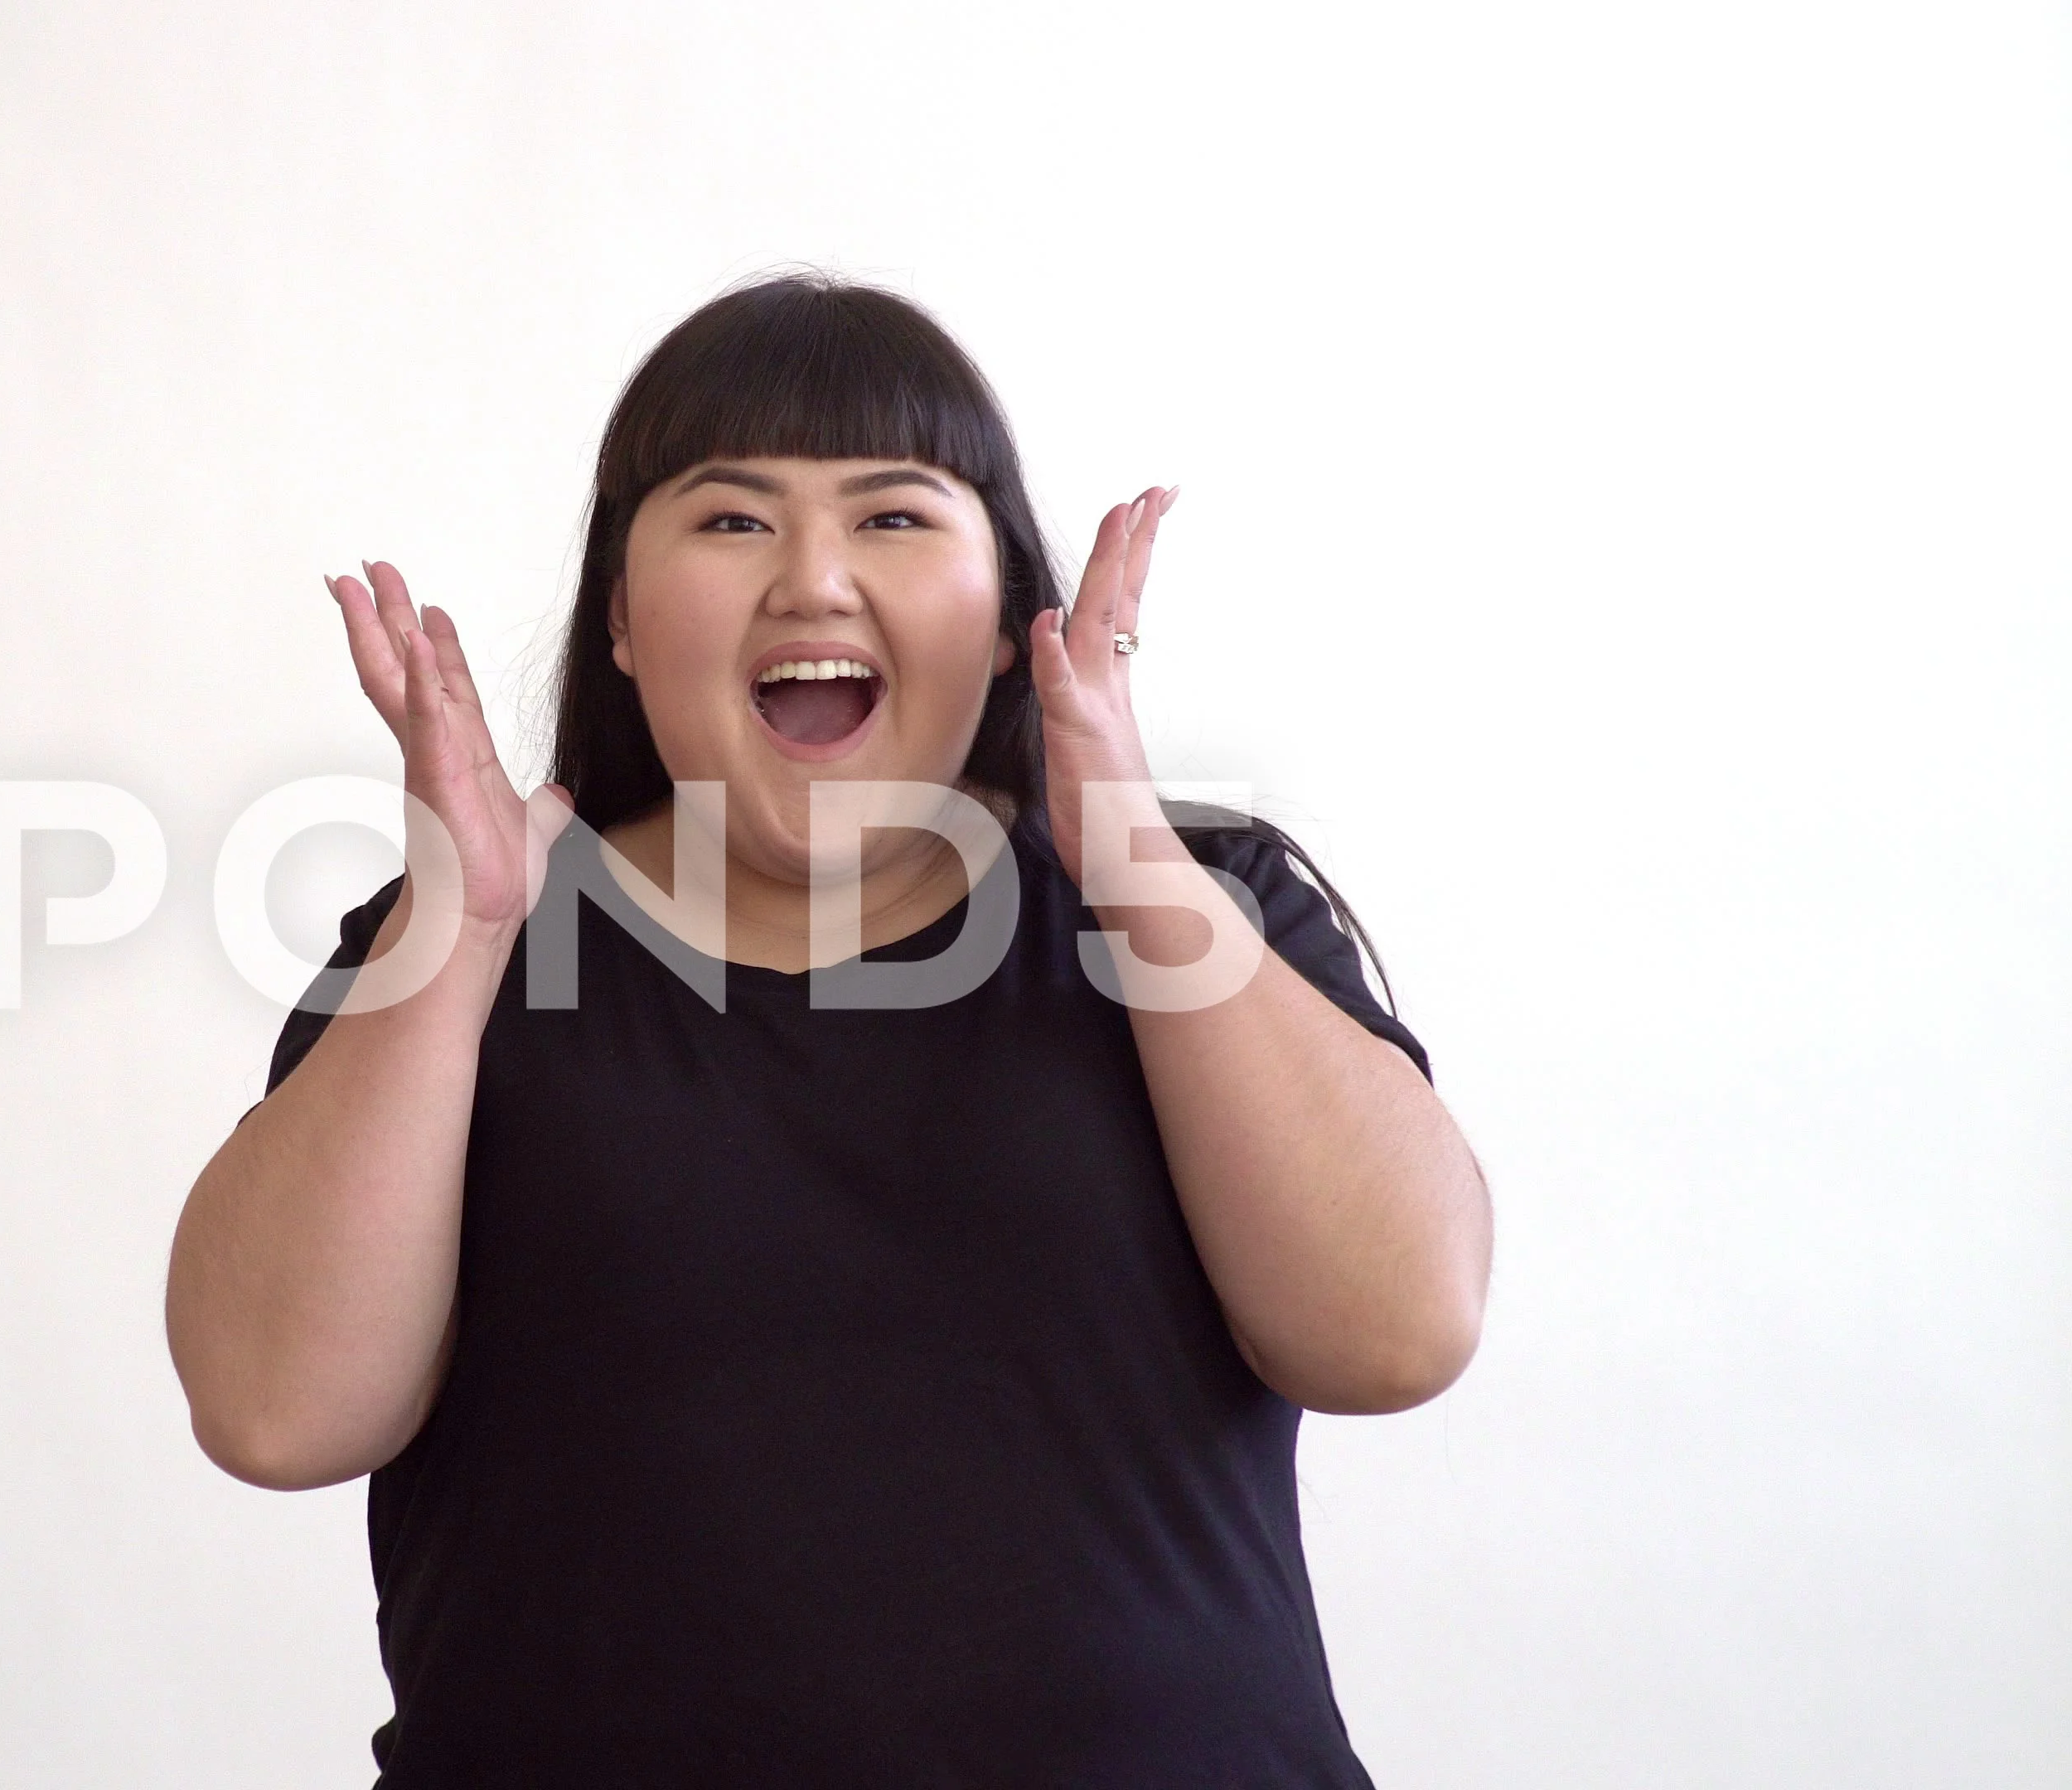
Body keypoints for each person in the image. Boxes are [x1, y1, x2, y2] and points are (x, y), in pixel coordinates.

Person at [165, 273, 1490, 1787]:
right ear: (618, 617)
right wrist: (456, 939)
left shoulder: (1200, 906)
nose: (812, 580)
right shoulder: (464, 946)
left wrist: (1128, 857)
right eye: (731, 520)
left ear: (1006, 619)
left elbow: (1397, 1330)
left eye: (894, 517)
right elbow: (275, 1410)